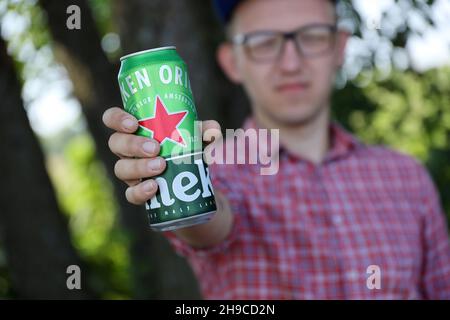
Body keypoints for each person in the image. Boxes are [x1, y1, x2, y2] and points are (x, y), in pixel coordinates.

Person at [102, 0, 450, 299]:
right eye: (263, 42)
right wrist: (170, 176)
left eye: (312, 36)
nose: (290, 63)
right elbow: (210, 221)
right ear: (232, 62)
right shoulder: (218, 167)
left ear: (340, 46)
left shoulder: (408, 177)